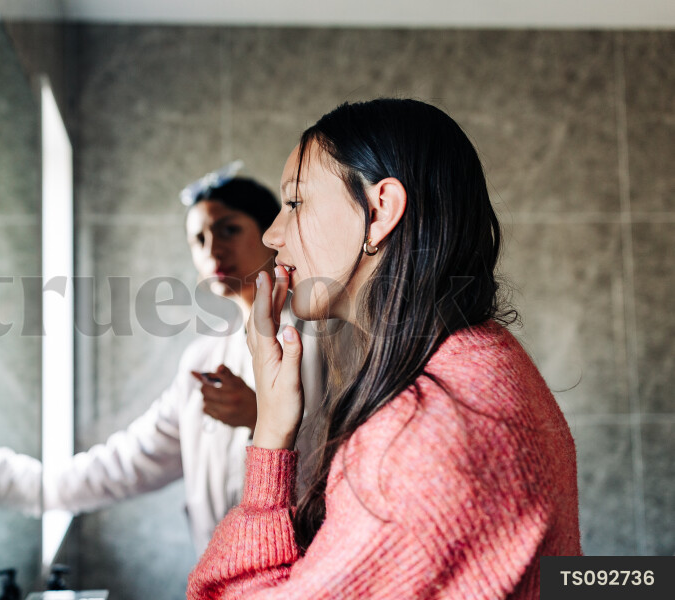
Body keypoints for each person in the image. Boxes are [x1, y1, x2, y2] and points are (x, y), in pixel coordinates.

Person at [187, 99, 582, 599]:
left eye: (295, 203)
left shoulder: (422, 435)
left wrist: (270, 434)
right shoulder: (484, 354)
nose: (273, 234)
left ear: (380, 211)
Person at [0, 170, 324, 555]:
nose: (213, 249)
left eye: (228, 229)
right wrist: (41, 489)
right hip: (226, 575)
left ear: (272, 230)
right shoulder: (203, 360)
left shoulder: (316, 340)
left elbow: (346, 463)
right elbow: (134, 460)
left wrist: (261, 418)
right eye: (198, 239)